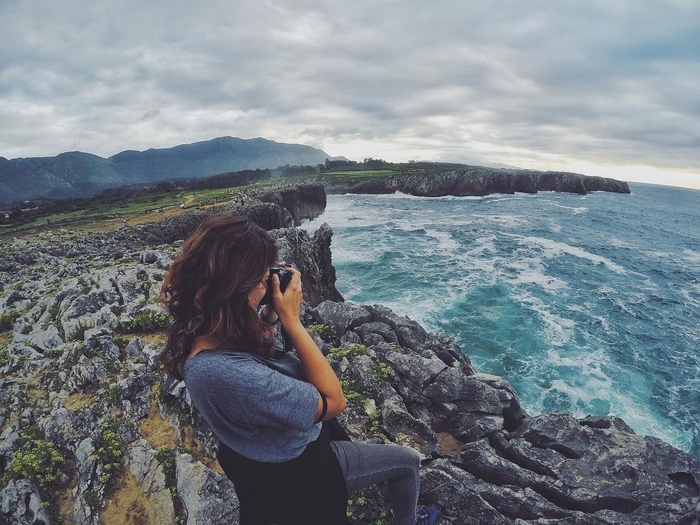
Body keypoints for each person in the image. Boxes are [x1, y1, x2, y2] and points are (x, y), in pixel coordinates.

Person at [159, 214, 438, 525]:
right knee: (408, 461)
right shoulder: (223, 374)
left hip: (262, 457)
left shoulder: (200, 331)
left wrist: (268, 317)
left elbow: (249, 356)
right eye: (262, 276)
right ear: (236, 284)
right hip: (302, 465)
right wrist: (292, 320)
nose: (269, 282)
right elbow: (333, 402)